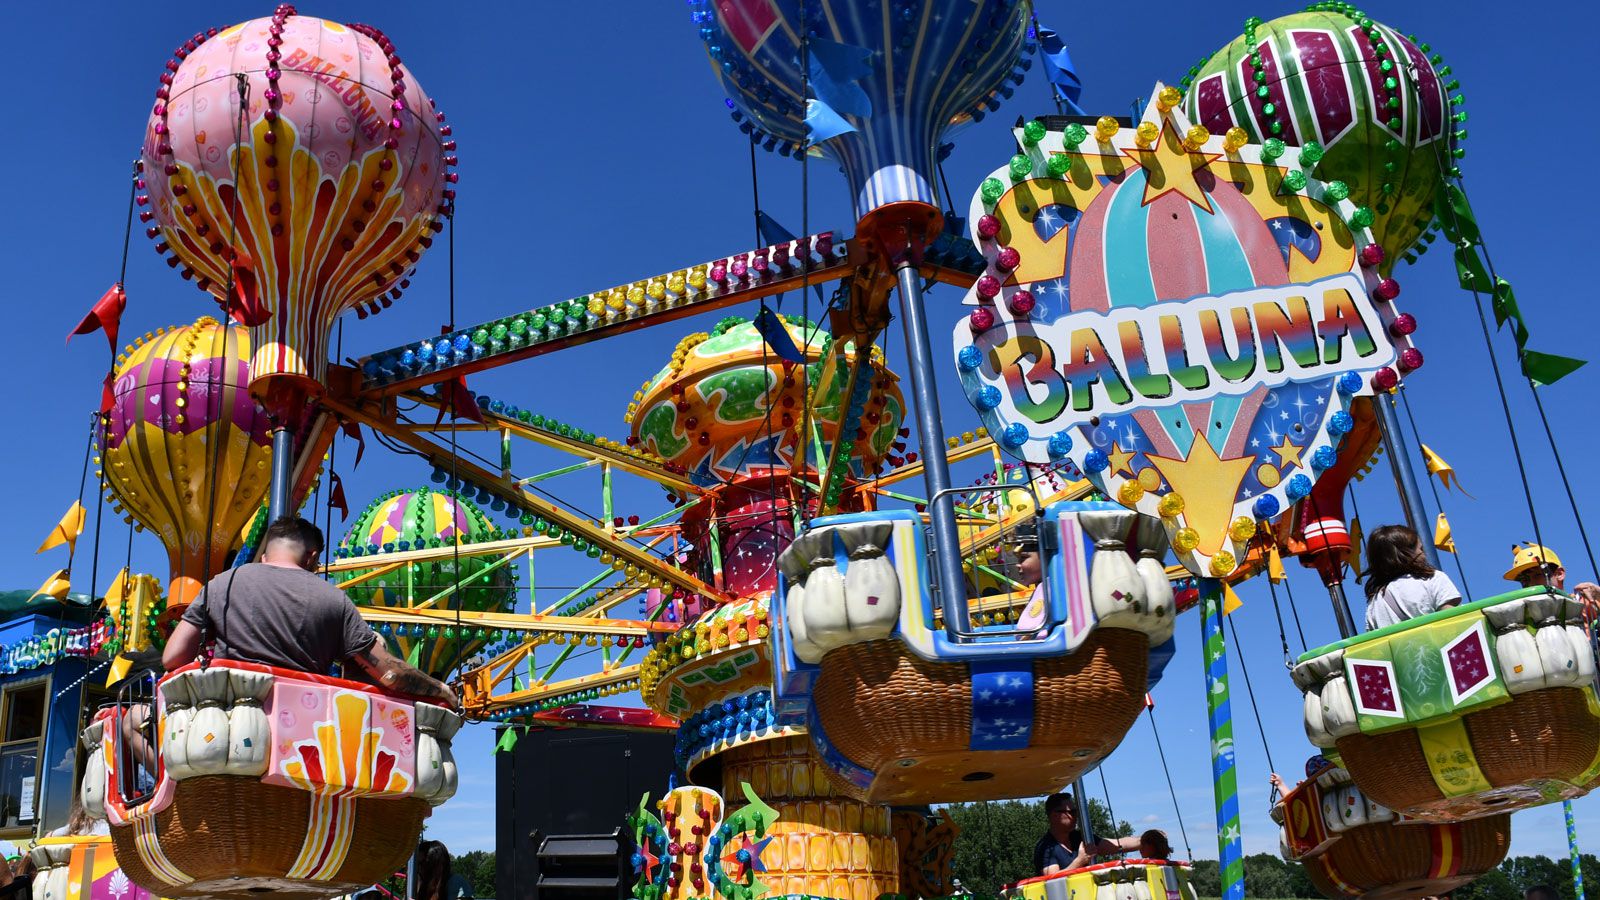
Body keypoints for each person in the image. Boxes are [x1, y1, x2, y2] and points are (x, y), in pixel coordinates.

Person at [163, 517, 457, 709]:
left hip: (227, 725)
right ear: (312, 556)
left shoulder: (223, 584)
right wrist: (440, 689)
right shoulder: (335, 600)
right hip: (301, 733)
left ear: (267, 554)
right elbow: (390, 674)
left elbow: (173, 657)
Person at [1361, 525, 1461, 630]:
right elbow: (1453, 624)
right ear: (1406, 553)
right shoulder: (1434, 579)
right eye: (1421, 549)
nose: (1424, 554)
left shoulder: (1374, 603)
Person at [1032, 792, 1140, 875]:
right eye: (1072, 812)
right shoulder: (1046, 848)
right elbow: (1052, 880)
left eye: (1077, 811)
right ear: (1055, 815)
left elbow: (1117, 844)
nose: (1077, 816)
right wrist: (1079, 861)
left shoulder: (1080, 837)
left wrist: (1144, 840)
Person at [1505, 543, 1600, 610]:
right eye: (1524, 580)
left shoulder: (1579, 603)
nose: (1531, 584)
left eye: (1537, 575)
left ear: (1559, 574)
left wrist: (1598, 594)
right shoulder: (1520, 613)